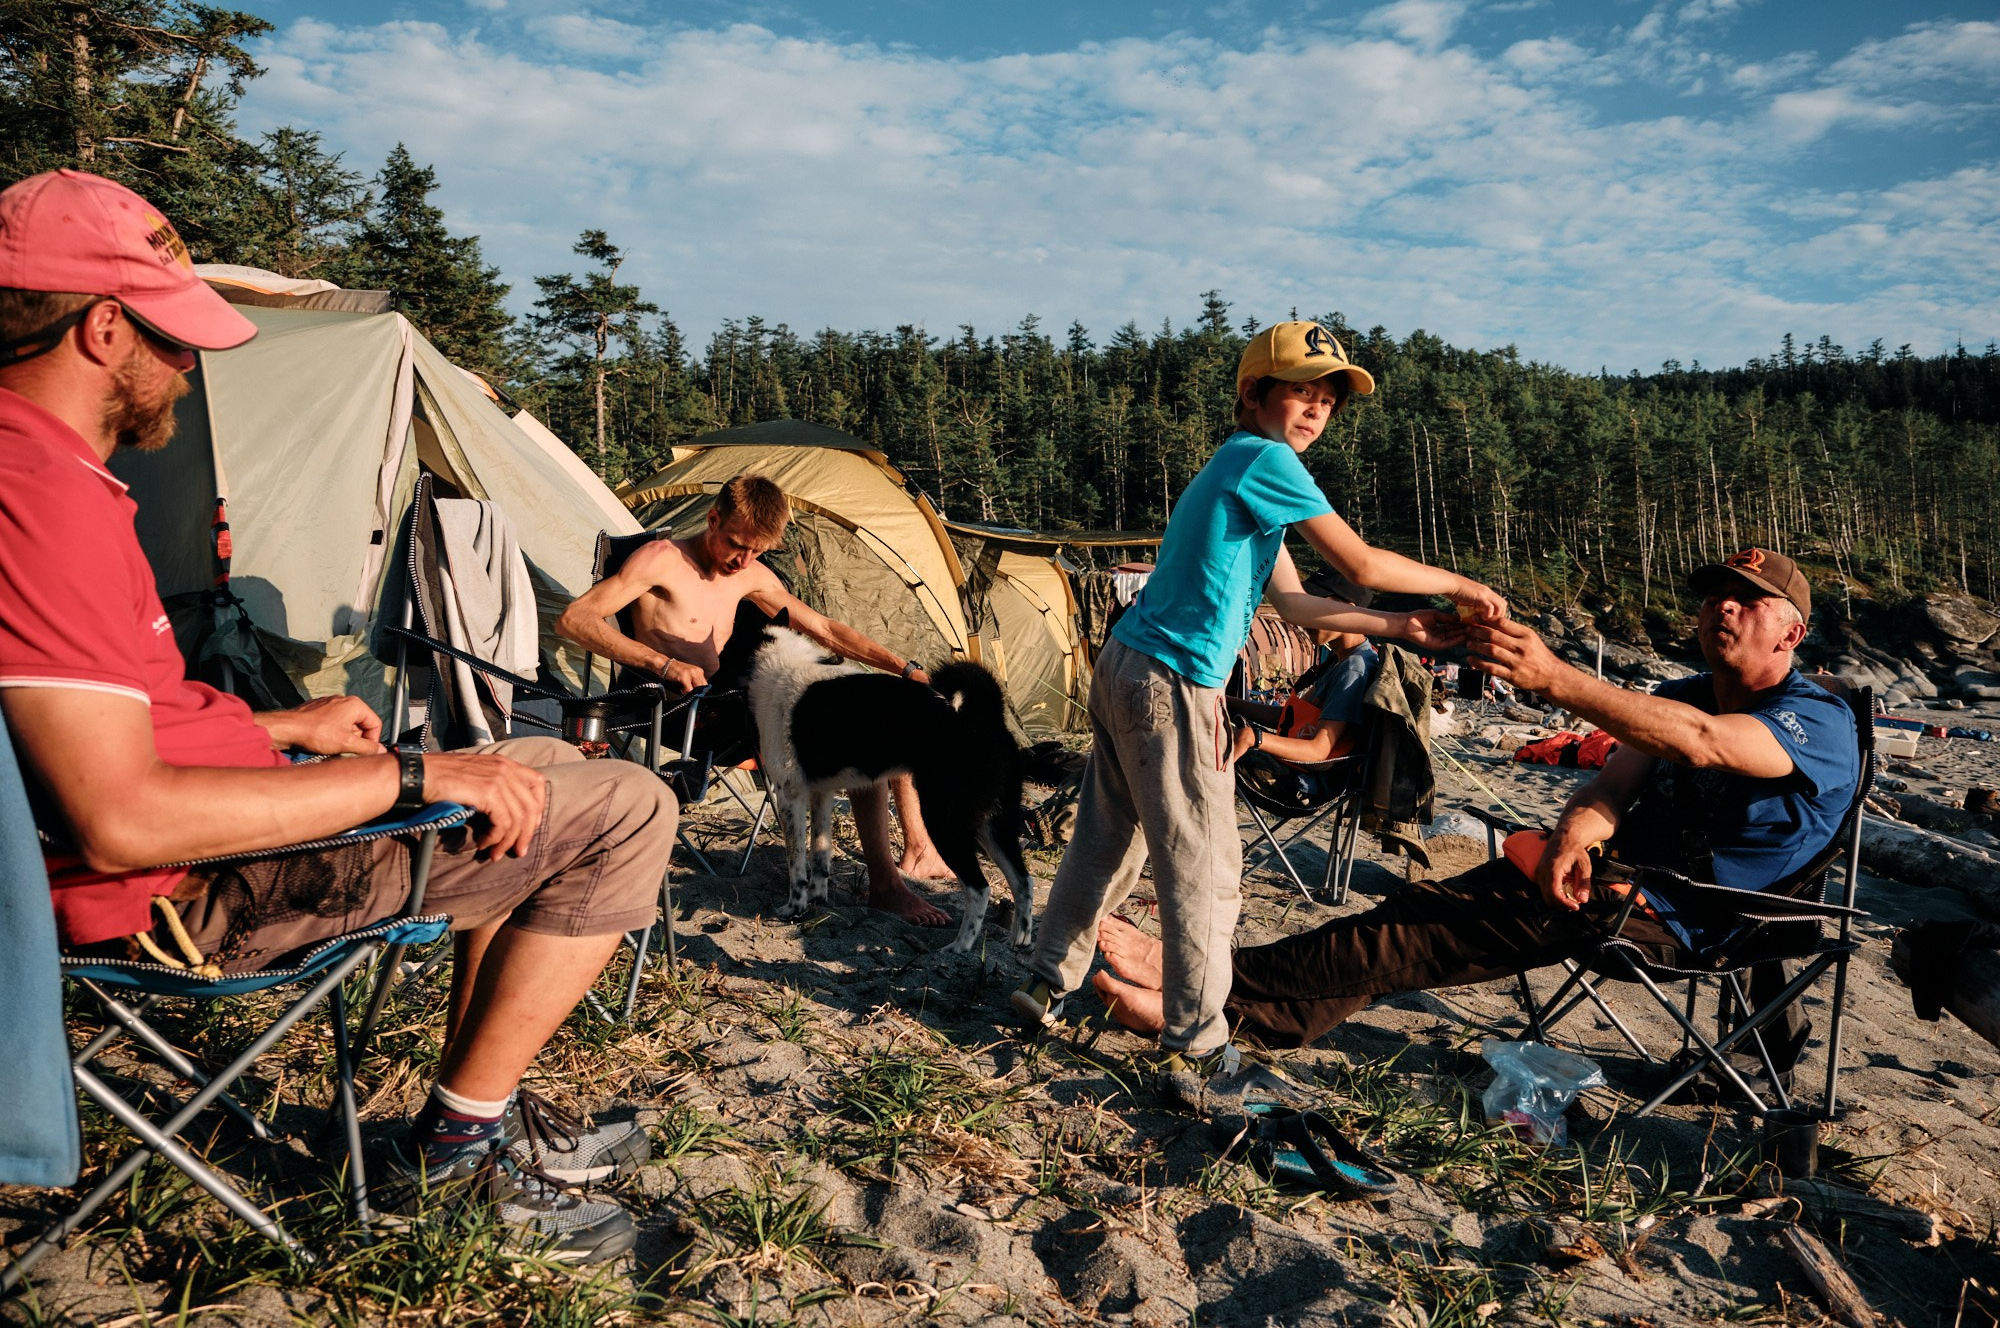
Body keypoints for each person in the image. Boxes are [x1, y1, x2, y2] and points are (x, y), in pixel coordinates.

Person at [0, 170, 673, 1263]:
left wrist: (280, 729)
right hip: (182, 895)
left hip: (198, 836)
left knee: (527, 763)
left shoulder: (43, 472)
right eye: (172, 337)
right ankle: (454, 1151)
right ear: (103, 328)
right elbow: (121, 820)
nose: (190, 364)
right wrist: (412, 779)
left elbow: (92, 724)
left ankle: (480, 1111)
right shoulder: (40, 497)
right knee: (627, 805)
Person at [1092, 548, 1858, 1086]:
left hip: (1689, 916)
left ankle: (1202, 986)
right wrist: (1575, 831)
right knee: (1417, 921)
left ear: (1792, 633)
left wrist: (1555, 678)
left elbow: (1705, 743)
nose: (1723, 606)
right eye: (1715, 593)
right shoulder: (1684, 691)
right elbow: (1613, 784)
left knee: (1419, 928)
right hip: (1610, 879)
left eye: (1748, 599)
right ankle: (1221, 1001)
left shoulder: (1818, 722)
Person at [1008, 320, 1504, 1088]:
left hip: (1126, 662)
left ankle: (1045, 980)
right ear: (1253, 393)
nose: (1315, 410)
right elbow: (1360, 559)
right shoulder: (1266, 459)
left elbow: (1298, 604)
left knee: (1109, 838)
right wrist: (1464, 585)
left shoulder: (1240, 469)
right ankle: (1197, 1044)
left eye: (1328, 401)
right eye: (1300, 392)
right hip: (1175, 678)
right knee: (1208, 870)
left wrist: (1399, 625)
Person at [553, 476, 954, 926]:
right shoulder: (661, 560)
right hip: (677, 712)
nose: (742, 561)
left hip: (734, 711)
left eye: (757, 552)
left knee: (885, 716)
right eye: (736, 545)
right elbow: (574, 619)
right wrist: (662, 663)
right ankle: (889, 884)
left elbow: (824, 629)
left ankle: (913, 858)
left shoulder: (748, 573)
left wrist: (905, 669)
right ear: (712, 519)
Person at [1226, 567, 1382, 768]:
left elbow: (1318, 750)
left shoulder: (1354, 669)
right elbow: (1287, 717)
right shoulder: (1338, 660)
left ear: (1349, 611)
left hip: (1305, 777)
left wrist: (1254, 737)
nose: (1304, 617)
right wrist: (1227, 702)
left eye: (1315, 605)